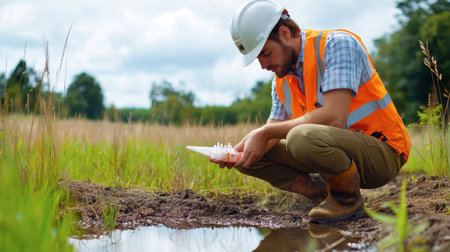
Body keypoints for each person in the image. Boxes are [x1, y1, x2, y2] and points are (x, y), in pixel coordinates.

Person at [210, 0, 411, 223]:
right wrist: (239, 154)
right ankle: (322, 195)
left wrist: (265, 133)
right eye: (258, 58)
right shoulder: (281, 80)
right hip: (334, 151)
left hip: (382, 153)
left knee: (300, 136)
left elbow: (335, 117)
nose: (263, 65)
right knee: (255, 153)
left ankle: (346, 200)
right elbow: (270, 136)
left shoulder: (338, 45)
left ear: (285, 33)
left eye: (265, 53)